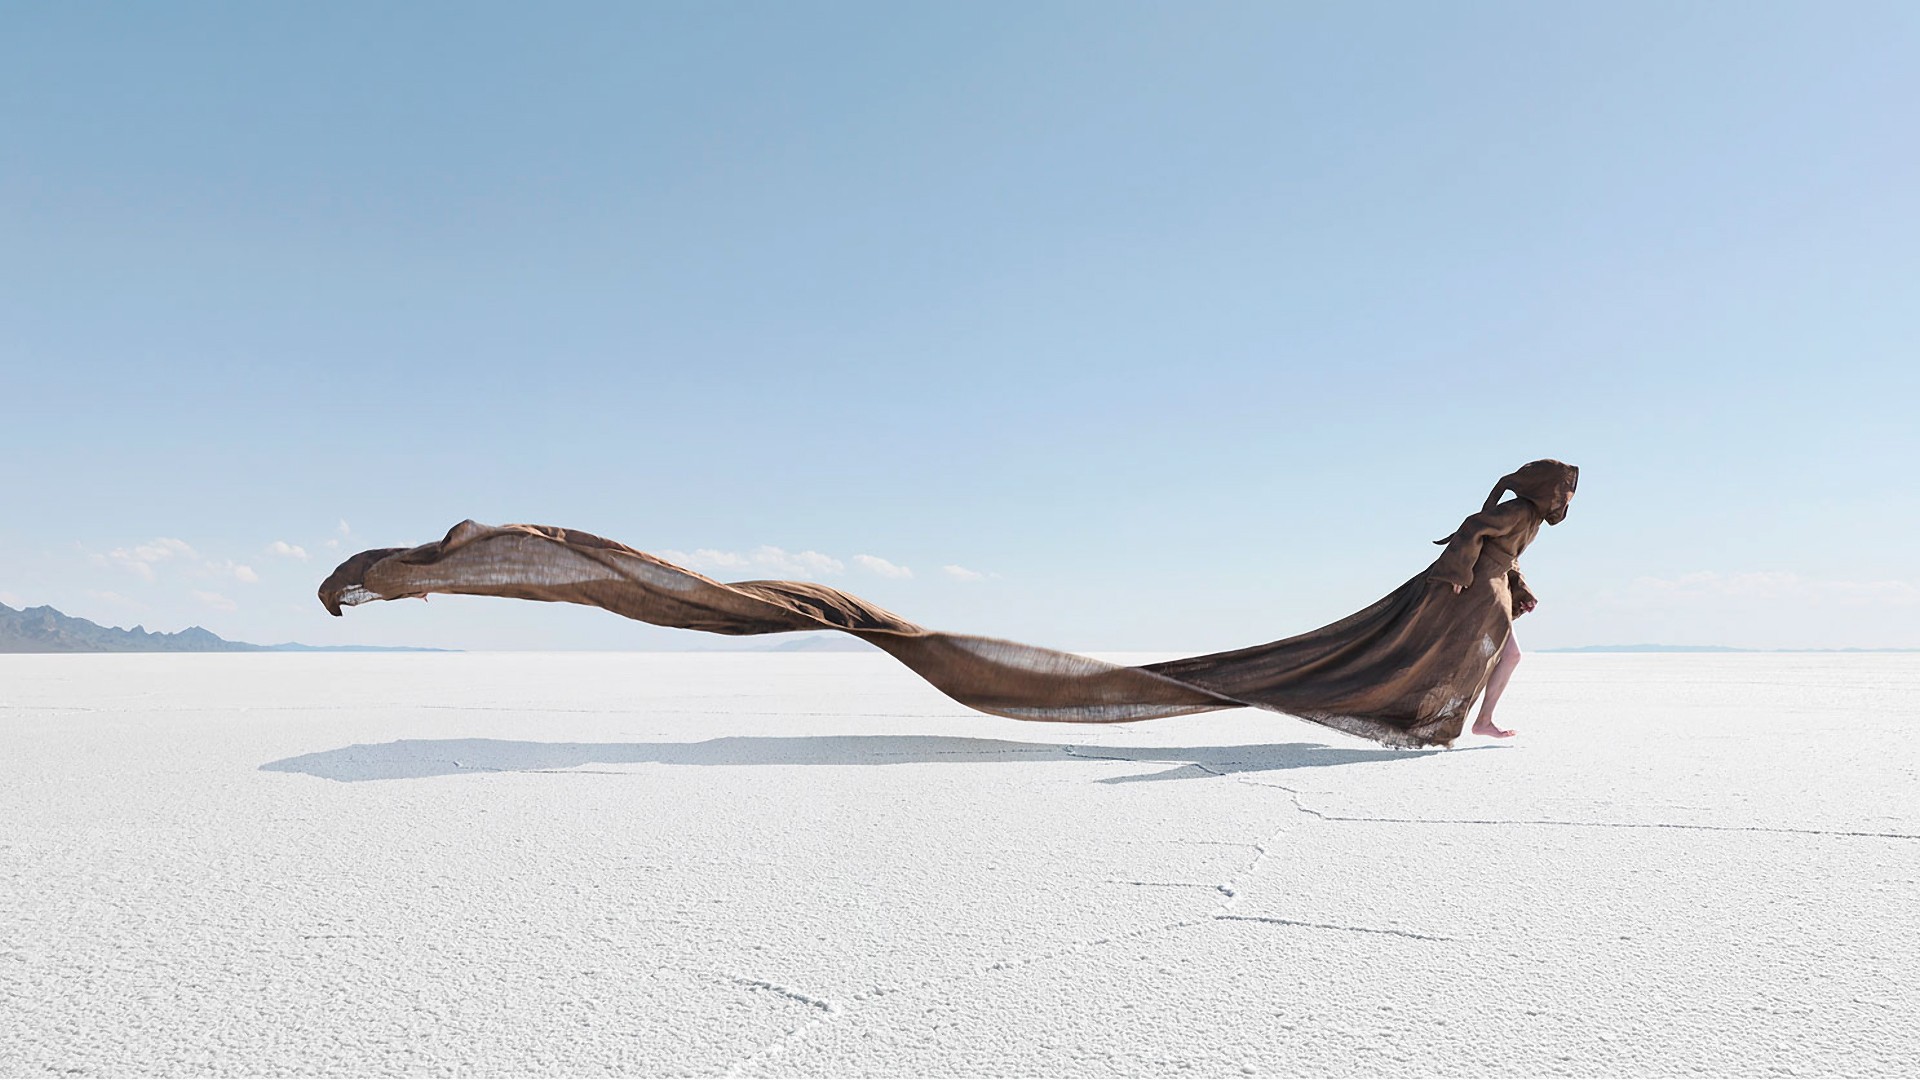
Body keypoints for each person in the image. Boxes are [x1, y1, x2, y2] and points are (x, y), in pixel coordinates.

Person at [318, 459, 1578, 749]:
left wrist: (1484, 591)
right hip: (1461, 600)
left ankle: (1480, 713)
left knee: (822, 611)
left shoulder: (1506, 526)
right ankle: (473, 554)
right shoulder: (1497, 527)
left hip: (1472, 602)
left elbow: (1484, 563)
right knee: (816, 611)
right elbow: (1473, 553)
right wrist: (1473, 587)